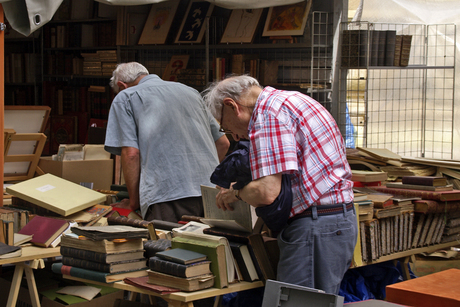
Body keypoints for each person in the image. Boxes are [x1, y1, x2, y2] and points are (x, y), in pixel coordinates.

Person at [202, 75, 357, 295]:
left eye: (226, 127)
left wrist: (236, 193)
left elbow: (267, 192)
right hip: (330, 222)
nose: (235, 135)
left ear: (231, 105)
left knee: (296, 302)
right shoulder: (289, 100)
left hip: (316, 226)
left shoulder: (267, 115)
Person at [104, 62, 230, 223]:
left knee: (166, 245)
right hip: (211, 195)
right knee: (208, 246)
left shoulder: (126, 97)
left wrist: (134, 202)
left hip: (167, 196)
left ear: (122, 85)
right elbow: (223, 143)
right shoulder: (190, 92)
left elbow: (131, 154)